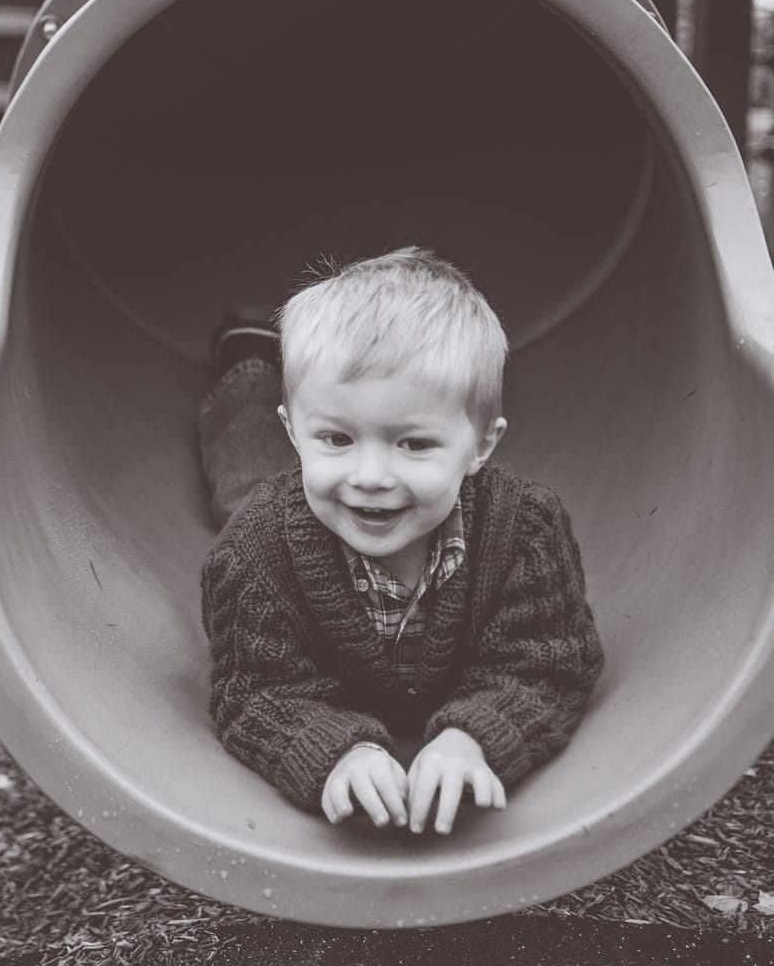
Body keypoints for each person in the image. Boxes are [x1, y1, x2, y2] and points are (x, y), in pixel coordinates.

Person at [199, 247, 603, 835]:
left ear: (482, 447)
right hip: (278, 508)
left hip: (324, 492)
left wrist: (472, 739)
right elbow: (257, 693)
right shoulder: (256, 550)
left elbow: (547, 665)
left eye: (412, 444)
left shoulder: (523, 529)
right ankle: (247, 361)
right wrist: (336, 751)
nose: (370, 475)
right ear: (295, 430)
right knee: (240, 477)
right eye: (336, 438)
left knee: (294, 479)